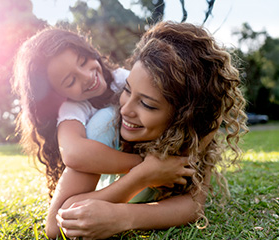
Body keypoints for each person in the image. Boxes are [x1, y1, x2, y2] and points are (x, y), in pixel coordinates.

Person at [52, 21, 248, 239]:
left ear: (184, 116)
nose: (125, 109)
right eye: (126, 90)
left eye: (147, 105)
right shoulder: (105, 124)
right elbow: (56, 225)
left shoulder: (192, 134)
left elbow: (193, 205)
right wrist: (143, 175)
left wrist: (122, 217)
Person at [11, 26, 193, 238]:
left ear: (90, 51)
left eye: (83, 61)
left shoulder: (123, 79)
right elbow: (74, 153)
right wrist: (146, 169)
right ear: (57, 94)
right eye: (70, 81)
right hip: (126, 180)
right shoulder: (75, 109)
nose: (87, 77)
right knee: (103, 121)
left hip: (152, 185)